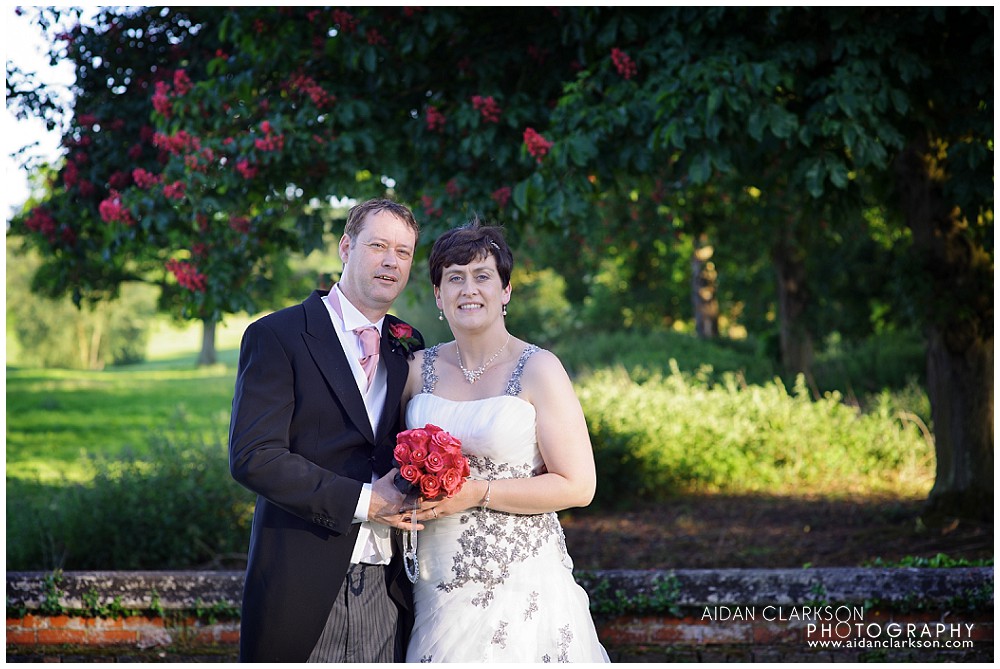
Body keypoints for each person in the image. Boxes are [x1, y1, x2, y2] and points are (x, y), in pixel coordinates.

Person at [399, 219, 611, 662]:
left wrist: (475, 492)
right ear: (438, 294)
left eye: (482, 276)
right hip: (436, 579)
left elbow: (578, 485)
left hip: (522, 584)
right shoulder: (415, 369)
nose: (468, 289)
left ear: (506, 290)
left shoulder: (539, 368)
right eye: (454, 278)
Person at [229, 198, 425, 662]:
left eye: (403, 252)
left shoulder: (408, 344)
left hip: (388, 588)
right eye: (378, 246)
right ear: (345, 247)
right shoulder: (277, 335)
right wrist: (365, 501)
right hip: (302, 583)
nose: (391, 261)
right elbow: (255, 456)